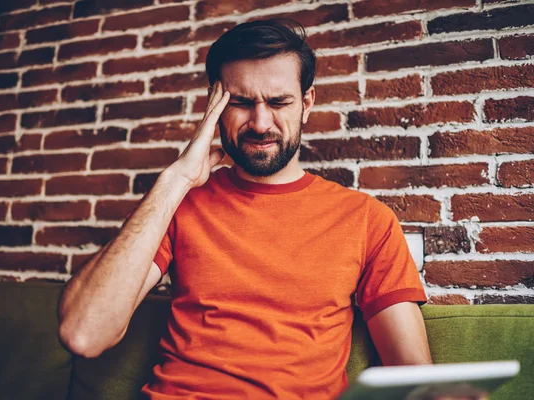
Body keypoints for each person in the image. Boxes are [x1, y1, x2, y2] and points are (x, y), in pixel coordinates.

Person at [58, 19, 433, 399]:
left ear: (306, 104)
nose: (260, 122)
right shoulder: (180, 203)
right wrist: (175, 180)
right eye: (239, 102)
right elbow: (84, 333)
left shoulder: (367, 219)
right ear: (214, 107)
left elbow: (415, 377)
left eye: (279, 102)